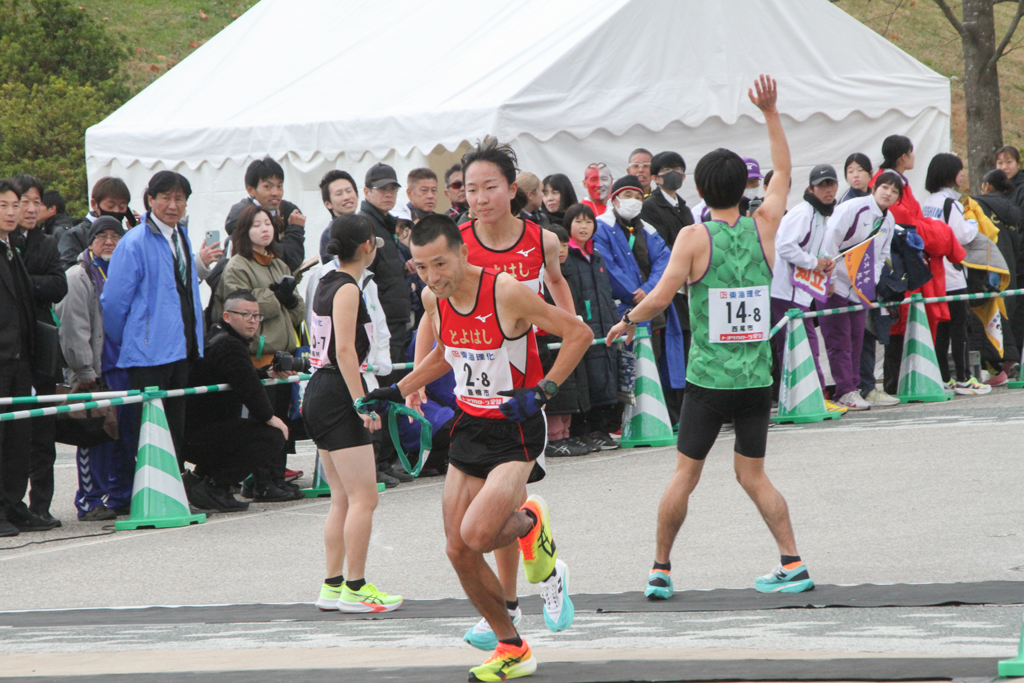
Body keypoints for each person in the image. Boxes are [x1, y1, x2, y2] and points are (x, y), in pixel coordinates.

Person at [606, 75, 815, 600]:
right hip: (754, 376)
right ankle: (792, 563)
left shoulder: (693, 236)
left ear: (699, 190)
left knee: (684, 474)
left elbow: (658, 298)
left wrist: (627, 323)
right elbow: (785, 171)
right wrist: (770, 111)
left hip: (707, 378)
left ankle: (660, 568)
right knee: (754, 475)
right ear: (744, 188)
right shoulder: (765, 223)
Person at [366, 213, 592, 681]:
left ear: (463, 252)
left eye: (440, 264)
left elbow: (578, 333)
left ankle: (530, 523)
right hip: (470, 425)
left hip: (516, 429)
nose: (432, 277)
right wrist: (399, 387)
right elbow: (447, 353)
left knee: (479, 534)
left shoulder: (504, 291)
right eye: (422, 268)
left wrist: (544, 390)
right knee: (457, 549)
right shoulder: (434, 297)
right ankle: (512, 646)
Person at [410, 139, 576, 653]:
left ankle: (513, 592)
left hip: (521, 392)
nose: (478, 198)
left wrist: (555, 372)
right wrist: (411, 386)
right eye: (470, 189)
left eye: (489, 187)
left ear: (512, 188)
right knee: (470, 531)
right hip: (473, 389)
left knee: (490, 517)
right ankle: (507, 608)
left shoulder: (539, 239)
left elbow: (559, 295)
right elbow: (432, 316)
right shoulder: (452, 243)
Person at [303, 213, 403, 614]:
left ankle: (333, 585)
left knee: (342, 497)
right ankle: (356, 587)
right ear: (367, 247)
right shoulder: (348, 289)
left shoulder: (325, 282)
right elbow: (345, 351)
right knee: (365, 497)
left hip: (320, 390)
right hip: (337, 391)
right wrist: (362, 401)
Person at [102, 171, 204, 472]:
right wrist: (133, 338)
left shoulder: (181, 236)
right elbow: (113, 302)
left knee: (176, 426)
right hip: (148, 354)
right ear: (150, 200)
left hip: (182, 349)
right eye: (166, 198)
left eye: (180, 198)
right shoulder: (134, 241)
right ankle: (151, 491)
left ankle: (174, 489)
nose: (173, 205)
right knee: (149, 429)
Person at [211, 204, 306, 502]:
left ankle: (277, 477)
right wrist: (275, 296)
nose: (265, 229)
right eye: (257, 225)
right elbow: (242, 306)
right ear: (244, 231)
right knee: (262, 420)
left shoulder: (279, 262)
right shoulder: (238, 264)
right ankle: (261, 481)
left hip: (283, 353)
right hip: (256, 355)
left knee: (282, 418)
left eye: (268, 223)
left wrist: (288, 298)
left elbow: (299, 310)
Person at [56, 216, 139, 521]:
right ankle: (89, 500)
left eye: (115, 236)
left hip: (124, 367)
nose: (109, 241)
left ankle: (119, 496)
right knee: (95, 437)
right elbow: (73, 328)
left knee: (124, 437)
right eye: (101, 236)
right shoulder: (79, 275)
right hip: (95, 372)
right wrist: (83, 370)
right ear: (89, 242)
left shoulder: (123, 271)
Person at [184, 290, 292, 512]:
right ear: (227, 316)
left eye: (256, 316)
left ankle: (201, 479)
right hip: (198, 436)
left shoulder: (217, 338)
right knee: (272, 436)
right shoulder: (229, 345)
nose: (252, 321)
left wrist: (265, 373)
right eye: (245, 315)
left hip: (193, 432)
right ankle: (214, 486)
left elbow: (240, 375)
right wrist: (271, 418)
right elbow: (249, 388)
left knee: (242, 429)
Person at [594, 175, 686, 421]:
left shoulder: (648, 228)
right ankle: (624, 418)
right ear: (614, 199)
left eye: (637, 196)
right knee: (624, 362)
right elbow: (607, 266)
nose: (633, 201)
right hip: (622, 307)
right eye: (627, 196)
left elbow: (665, 261)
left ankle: (659, 413)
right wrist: (636, 292)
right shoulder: (600, 226)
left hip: (651, 305)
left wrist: (650, 289)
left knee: (656, 358)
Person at [9, 175, 66, 528]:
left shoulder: (46, 243)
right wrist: (33, 284)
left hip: (41, 343)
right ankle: (11, 503)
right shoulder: (6, 241)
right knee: (14, 431)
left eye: (35, 202)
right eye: (23, 202)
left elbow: (59, 285)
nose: (31, 209)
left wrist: (23, 283)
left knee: (44, 430)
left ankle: (41, 504)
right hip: (12, 348)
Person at [821, 173, 900, 411]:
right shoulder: (853, 208)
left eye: (895, 191)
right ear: (874, 187)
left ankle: (854, 388)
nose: (888, 193)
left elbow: (881, 255)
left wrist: (870, 283)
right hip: (834, 282)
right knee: (839, 339)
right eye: (885, 187)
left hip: (860, 287)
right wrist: (831, 280)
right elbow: (829, 243)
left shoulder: (889, 219)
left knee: (858, 337)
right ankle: (844, 390)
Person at [358, 162, 415, 486]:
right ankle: (375, 462)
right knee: (379, 391)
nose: (388, 194)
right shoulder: (367, 223)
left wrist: (401, 268)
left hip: (394, 322)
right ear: (367, 192)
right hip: (378, 325)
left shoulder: (385, 223)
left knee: (391, 390)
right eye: (381, 189)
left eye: (392, 188)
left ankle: (387, 459)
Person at [767, 164, 837, 402]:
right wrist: (813, 262)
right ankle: (812, 398)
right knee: (799, 345)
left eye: (831, 184)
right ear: (811, 188)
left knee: (798, 345)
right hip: (785, 291)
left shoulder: (821, 213)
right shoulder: (803, 212)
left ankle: (804, 397)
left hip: (800, 292)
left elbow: (814, 248)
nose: (828, 190)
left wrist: (825, 262)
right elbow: (785, 246)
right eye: (822, 185)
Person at [921, 153, 988, 395]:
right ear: (950, 173)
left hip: (936, 275)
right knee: (960, 328)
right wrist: (973, 224)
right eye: (960, 170)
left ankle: (943, 377)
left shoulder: (928, 202)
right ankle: (963, 377)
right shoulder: (952, 204)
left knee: (942, 330)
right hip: (953, 272)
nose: (962, 174)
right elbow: (962, 235)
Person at [562, 204, 620, 450]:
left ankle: (600, 428)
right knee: (586, 379)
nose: (584, 226)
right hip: (584, 327)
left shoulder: (597, 256)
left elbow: (605, 293)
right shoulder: (567, 258)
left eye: (588, 221)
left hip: (603, 326)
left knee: (604, 377)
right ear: (568, 226)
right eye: (578, 221)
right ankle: (583, 430)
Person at [0, 178, 39, 537]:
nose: (12, 212)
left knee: (18, 437)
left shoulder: (13, 248)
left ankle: (12, 503)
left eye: (16, 205)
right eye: (4, 206)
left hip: (19, 357)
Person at [538, 224, 591, 457]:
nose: (560, 249)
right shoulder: (539, 274)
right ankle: (553, 437)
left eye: (563, 244)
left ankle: (566, 434)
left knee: (569, 387)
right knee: (553, 390)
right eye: (555, 244)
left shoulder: (569, 272)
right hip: (548, 337)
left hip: (568, 336)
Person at [641, 151, 696, 355]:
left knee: (688, 335)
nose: (674, 173)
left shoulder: (685, 209)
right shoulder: (650, 207)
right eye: (667, 169)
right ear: (655, 178)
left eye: (678, 169)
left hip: (688, 283)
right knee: (672, 342)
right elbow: (660, 247)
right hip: (667, 281)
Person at [973, 168, 1024, 384]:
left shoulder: (978, 205)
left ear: (986, 185)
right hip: (1009, 268)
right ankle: (1009, 362)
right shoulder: (1012, 211)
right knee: (1006, 313)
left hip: (987, 267)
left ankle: (995, 368)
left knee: (986, 314)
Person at [224, 156, 306, 271]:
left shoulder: (288, 211)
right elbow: (286, 261)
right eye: (268, 186)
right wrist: (295, 230)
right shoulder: (242, 217)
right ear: (251, 190)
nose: (275, 193)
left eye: (279, 186)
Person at [57, 176, 136, 270]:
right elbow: (67, 271)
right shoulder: (75, 235)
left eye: (122, 207)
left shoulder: (128, 235)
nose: (117, 211)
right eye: (110, 206)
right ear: (94, 204)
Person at [318, 169, 360, 263]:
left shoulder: (365, 225)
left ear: (357, 195)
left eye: (349, 191)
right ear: (328, 204)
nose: (346, 197)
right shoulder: (330, 233)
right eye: (339, 194)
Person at [995, 145, 1024, 210]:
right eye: (1000, 163)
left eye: (1009, 162)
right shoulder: (994, 187)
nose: (1004, 167)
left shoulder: (1022, 188)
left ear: (1018, 164)